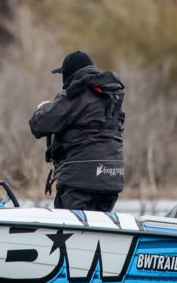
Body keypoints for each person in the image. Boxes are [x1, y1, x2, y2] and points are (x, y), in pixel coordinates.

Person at [29, 51, 125, 212]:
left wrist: (43, 108)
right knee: (98, 232)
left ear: (69, 74)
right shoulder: (112, 95)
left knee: (71, 231)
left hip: (79, 182)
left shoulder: (75, 94)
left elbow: (38, 125)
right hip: (111, 180)